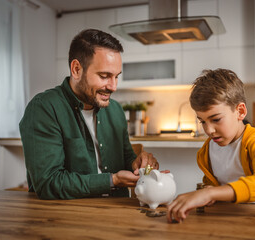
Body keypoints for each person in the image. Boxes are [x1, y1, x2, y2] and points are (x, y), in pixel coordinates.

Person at [19, 29, 158, 200]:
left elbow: (126, 158)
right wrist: (112, 180)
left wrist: (138, 163)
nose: (113, 86)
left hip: (117, 211)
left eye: (116, 77)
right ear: (76, 69)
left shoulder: (115, 110)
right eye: (104, 76)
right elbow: (49, 183)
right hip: (66, 217)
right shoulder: (44, 108)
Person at [167, 68, 255, 223]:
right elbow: (213, 186)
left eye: (216, 119)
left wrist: (210, 194)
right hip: (225, 219)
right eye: (202, 121)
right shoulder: (206, 151)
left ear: (240, 111)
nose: (208, 130)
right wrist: (208, 192)